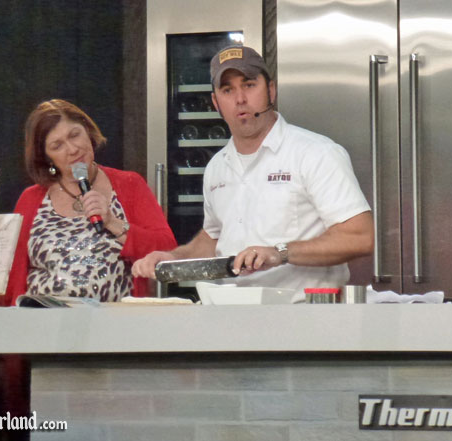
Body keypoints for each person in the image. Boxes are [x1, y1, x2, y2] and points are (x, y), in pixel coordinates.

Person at [133, 46, 373, 294]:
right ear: (216, 102)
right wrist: (172, 258)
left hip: (304, 315)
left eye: (249, 85)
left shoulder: (316, 153)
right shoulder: (217, 166)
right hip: (229, 316)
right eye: (228, 90)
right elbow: (214, 239)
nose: (240, 100)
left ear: (271, 90)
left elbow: (359, 237)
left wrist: (279, 253)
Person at [4, 99, 177, 306]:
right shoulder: (31, 199)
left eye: (75, 135)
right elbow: (10, 275)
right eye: (57, 146)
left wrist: (113, 223)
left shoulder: (129, 184)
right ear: (47, 158)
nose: (72, 149)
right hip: (41, 324)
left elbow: (167, 251)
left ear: (88, 131)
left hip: (113, 323)